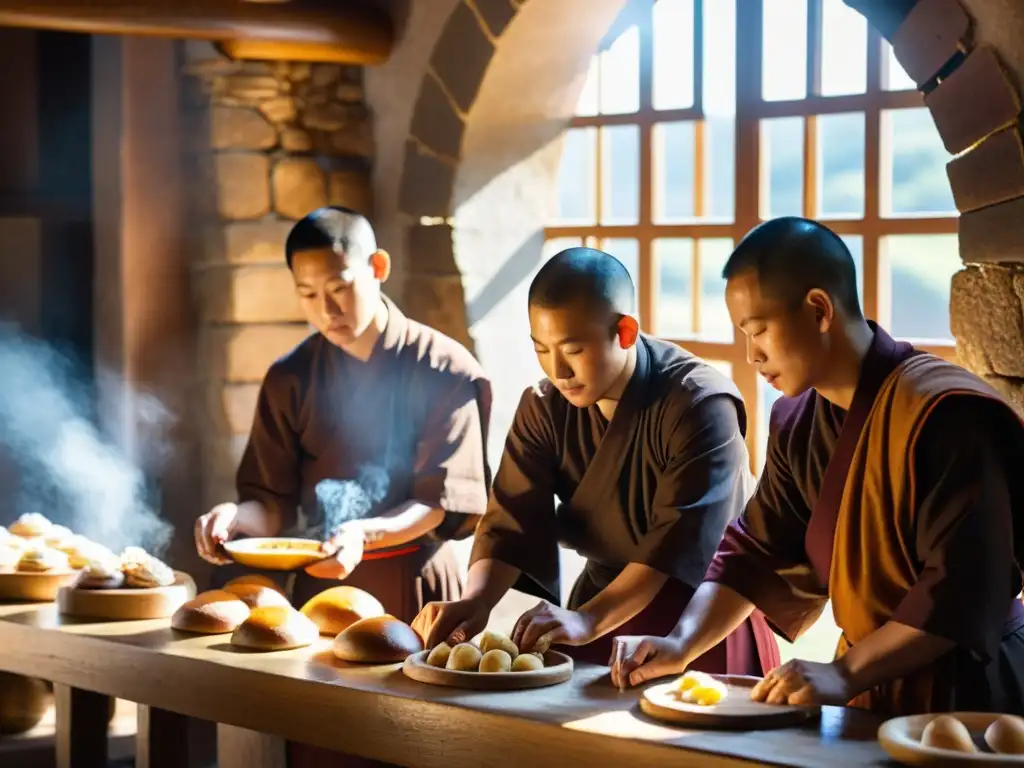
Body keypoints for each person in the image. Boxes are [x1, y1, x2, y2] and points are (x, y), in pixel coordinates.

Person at [609, 217, 1024, 717]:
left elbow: (963, 586)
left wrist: (844, 674)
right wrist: (680, 643)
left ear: (819, 309)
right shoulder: (799, 418)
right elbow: (760, 550)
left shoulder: (945, 412)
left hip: (971, 689)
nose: (751, 354)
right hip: (867, 690)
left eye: (759, 330)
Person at [193, 206, 492, 766]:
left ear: (377, 266)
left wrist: (365, 533)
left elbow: (438, 501)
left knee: (415, 745)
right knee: (322, 747)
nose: (325, 310)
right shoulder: (292, 375)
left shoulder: (444, 369)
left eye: (338, 287)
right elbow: (270, 505)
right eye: (307, 294)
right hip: (322, 595)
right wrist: (234, 519)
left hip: (415, 588)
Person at [413, 247, 780, 676]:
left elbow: (676, 543)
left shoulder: (699, 403)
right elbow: (510, 520)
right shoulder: (543, 407)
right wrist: (476, 599)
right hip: (600, 608)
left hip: (697, 622)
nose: (558, 370)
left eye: (573, 349)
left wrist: (587, 619)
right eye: (541, 350)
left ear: (624, 332)